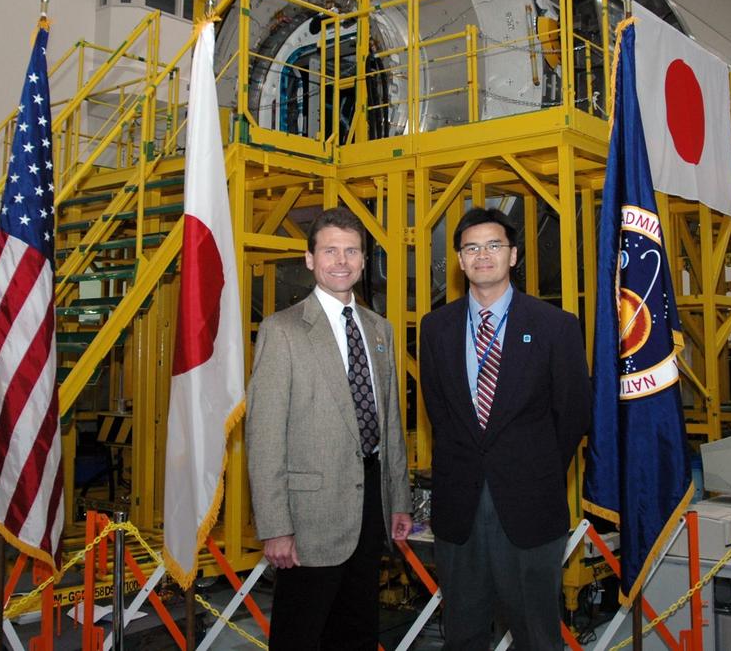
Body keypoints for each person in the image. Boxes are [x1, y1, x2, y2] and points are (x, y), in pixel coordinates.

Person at [419, 206, 592, 650]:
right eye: (471, 247)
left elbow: (572, 414)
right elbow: (440, 411)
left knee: (537, 635)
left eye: (494, 245)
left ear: (513, 256)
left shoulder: (556, 326)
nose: (482, 255)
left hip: (530, 508)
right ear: (458, 260)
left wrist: (530, 469)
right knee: (463, 633)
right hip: (460, 511)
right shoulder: (436, 329)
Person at [246, 207, 413, 650]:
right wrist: (275, 526)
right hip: (307, 522)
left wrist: (399, 500)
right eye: (330, 251)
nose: (342, 261)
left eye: (352, 251)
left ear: (363, 260)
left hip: (370, 511)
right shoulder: (282, 330)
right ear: (309, 259)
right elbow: (263, 436)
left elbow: (390, 420)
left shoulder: (380, 330)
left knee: (356, 633)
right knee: (299, 635)